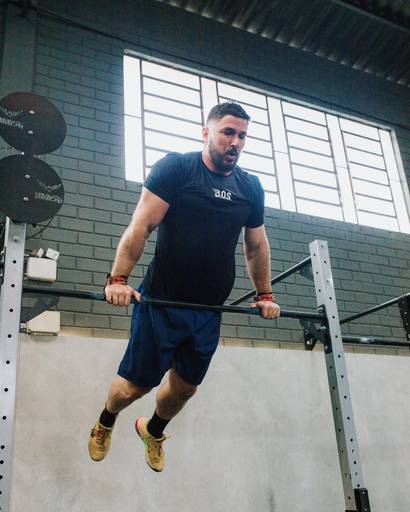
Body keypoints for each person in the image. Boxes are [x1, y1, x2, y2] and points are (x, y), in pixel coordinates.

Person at [88, 101, 281, 472]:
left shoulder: (250, 187)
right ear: (206, 132)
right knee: (136, 387)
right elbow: (142, 225)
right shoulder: (177, 169)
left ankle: (152, 430)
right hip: (161, 302)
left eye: (242, 136)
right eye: (228, 132)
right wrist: (118, 279)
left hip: (207, 310)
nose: (235, 142)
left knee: (185, 388)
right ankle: (106, 420)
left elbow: (256, 245)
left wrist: (265, 294)